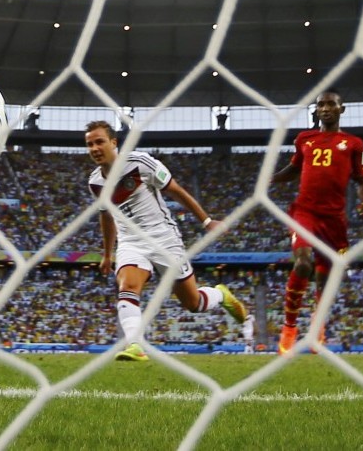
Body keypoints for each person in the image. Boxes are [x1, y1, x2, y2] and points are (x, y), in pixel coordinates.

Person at [85, 120, 247, 361]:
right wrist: (108, 253)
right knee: (127, 287)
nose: (95, 148)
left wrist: (207, 221)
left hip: (163, 238)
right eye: (89, 144)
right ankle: (135, 346)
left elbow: (176, 191)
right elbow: (106, 216)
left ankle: (221, 295)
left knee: (193, 303)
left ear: (114, 142)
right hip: (130, 243)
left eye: (99, 142)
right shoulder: (95, 182)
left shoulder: (141, 163)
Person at [271, 90, 363, 355]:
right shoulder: (305, 139)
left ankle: (318, 328)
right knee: (303, 264)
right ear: (316, 110)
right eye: (320, 105)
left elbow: (362, 178)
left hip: (335, 221)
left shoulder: (356, 144)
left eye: (331, 104)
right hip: (305, 213)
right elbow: (293, 169)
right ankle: (290, 327)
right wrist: (270, 179)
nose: (325, 108)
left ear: (341, 109)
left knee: (326, 280)